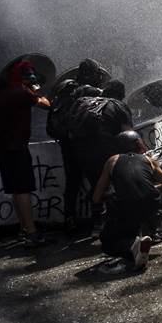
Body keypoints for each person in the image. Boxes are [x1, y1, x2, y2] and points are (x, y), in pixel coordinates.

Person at [90, 131, 162, 276]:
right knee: (137, 212)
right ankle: (145, 236)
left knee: (107, 243)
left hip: (126, 210)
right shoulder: (148, 160)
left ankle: (132, 245)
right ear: (138, 143)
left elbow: (96, 197)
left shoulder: (112, 161)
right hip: (151, 207)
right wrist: (148, 190)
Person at [48, 58, 111, 232]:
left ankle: (69, 219)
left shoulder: (64, 89)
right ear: (91, 74)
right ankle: (99, 221)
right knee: (98, 181)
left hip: (67, 143)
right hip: (87, 144)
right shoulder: (94, 91)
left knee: (72, 183)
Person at [0, 59, 51, 246]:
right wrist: (36, 89)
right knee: (24, 189)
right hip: (16, 147)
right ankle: (32, 233)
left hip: (2, 147)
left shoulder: (3, 91)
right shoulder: (21, 92)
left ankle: (24, 229)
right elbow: (46, 104)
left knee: (16, 190)